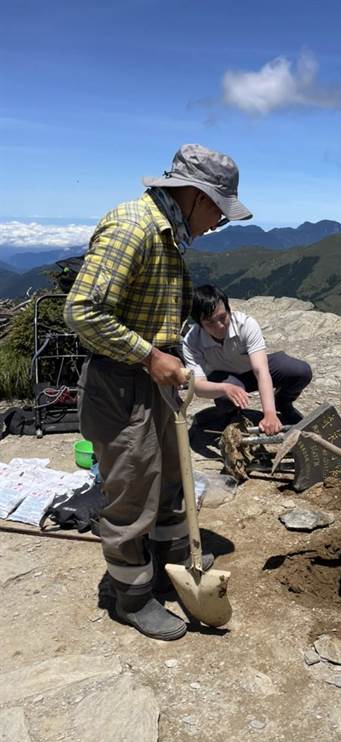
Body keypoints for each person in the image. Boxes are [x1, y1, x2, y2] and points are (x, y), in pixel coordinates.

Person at [64, 144, 253, 641]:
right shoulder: (134, 227)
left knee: (173, 475)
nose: (218, 223)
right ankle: (132, 596)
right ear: (192, 195)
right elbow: (81, 311)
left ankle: (173, 555)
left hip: (157, 381)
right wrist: (150, 356)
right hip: (122, 383)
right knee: (132, 491)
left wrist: (167, 364)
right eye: (217, 209)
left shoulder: (171, 235)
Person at [182, 285, 312, 435]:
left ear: (229, 310)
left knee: (300, 371)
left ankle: (282, 403)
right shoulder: (192, 341)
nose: (219, 326)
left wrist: (269, 414)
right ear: (199, 324)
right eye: (210, 323)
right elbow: (198, 386)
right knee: (224, 392)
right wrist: (224, 389)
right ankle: (232, 416)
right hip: (225, 378)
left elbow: (261, 370)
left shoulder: (246, 324)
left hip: (252, 368)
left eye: (223, 317)